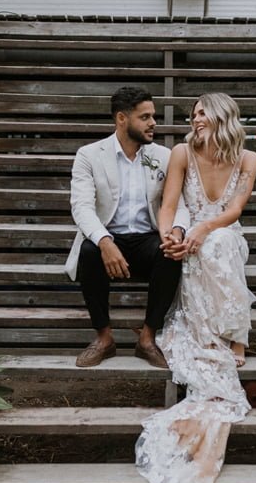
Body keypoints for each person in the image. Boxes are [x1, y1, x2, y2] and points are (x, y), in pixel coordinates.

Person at [135, 92, 256, 483]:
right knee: (198, 248)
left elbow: (234, 210)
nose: (196, 118)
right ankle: (212, 334)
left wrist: (203, 230)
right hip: (189, 237)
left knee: (219, 243)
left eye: (203, 112)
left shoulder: (248, 159)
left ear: (223, 115)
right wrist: (169, 237)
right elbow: (169, 205)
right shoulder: (182, 152)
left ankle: (235, 335)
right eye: (194, 114)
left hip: (223, 235)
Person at [67, 86, 190, 369]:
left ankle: (147, 339)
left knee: (170, 253)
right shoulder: (89, 155)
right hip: (109, 237)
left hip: (148, 238)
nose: (153, 123)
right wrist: (105, 241)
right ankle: (104, 339)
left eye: (153, 116)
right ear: (122, 118)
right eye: (145, 117)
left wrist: (177, 231)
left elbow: (180, 204)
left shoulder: (164, 156)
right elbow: (81, 207)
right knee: (89, 250)